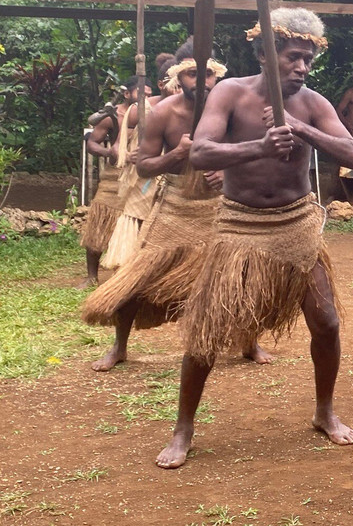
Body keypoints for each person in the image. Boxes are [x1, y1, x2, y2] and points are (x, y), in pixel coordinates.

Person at [155, 8, 353, 469]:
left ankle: (324, 411)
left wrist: (299, 127)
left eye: (308, 59)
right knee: (206, 332)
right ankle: (183, 428)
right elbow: (202, 151)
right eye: (292, 57)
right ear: (266, 55)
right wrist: (260, 145)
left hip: (296, 223)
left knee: (327, 323)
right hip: (239, 224)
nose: (301, 67)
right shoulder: (230, 93)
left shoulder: (313, 103)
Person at [81, 45, 269, 372]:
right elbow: (145, 167)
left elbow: (257, 152)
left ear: (217, 75)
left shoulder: (235, 110)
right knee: (138, 277)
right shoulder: (164, 113)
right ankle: (119, 346)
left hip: (223, 206)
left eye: (208, 73)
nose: (202, 81)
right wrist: (176, 155)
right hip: (175, 205)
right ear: (178, 76)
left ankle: (249, 342)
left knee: (241, 274)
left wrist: (229, 171)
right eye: (193, 73)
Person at [101, 53, 174, 269]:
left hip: (173, 177)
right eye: (174, 84)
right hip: (144, 178)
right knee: (138, 217)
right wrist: (127, 155)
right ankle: (128, 267)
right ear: (163, 84)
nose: (179, 89)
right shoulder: (140, 110)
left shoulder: (192, 110)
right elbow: (118, 144)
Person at [78, 77, 139, 288]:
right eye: (140, 93)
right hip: (114, 177)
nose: (145, 98)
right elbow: (92, 144)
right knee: (99, 222)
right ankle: (91, 276)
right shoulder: (113, 117)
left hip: (141, 178)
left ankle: (126, 275)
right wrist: (112, 153)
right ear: (127, 94)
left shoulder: (153, 115)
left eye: (148, 94)